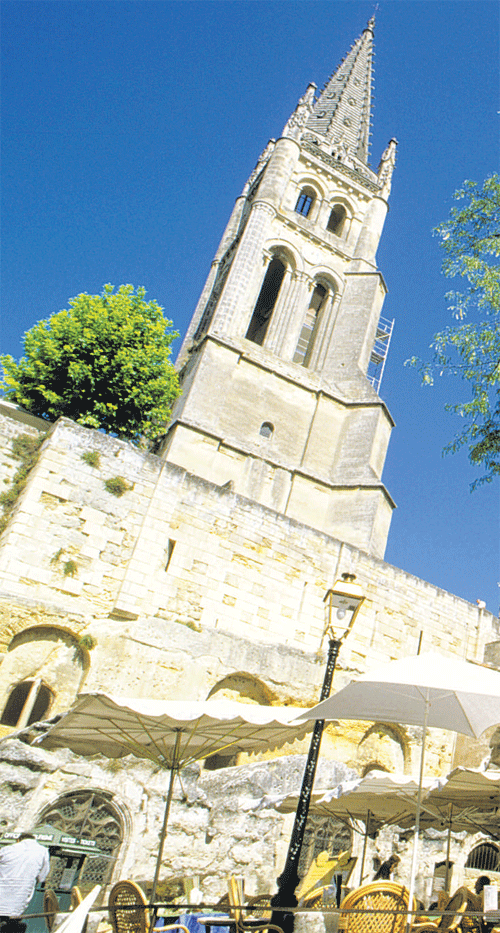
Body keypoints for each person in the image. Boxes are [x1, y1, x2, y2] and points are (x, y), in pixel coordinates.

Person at [0, 833, 50, 932]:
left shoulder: (7, 849)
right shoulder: (43, 851)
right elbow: (42, 876)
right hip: (20, 899)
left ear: (18, 840)